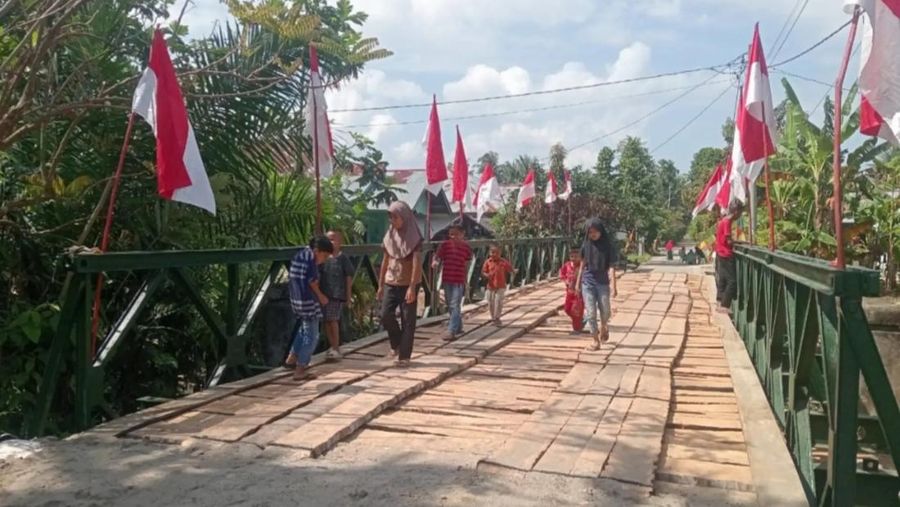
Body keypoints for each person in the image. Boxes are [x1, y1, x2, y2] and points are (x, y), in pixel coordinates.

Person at [378, 201, 423, 367]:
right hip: (391, 280)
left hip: (408, 282)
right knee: (385, 314)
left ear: (404, 217)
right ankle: (396, 344)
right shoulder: (390, 235)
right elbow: (385, 259)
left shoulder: (414, 237)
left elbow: (417, 263)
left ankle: (404, 356)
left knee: (408, 319)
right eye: (390, 217)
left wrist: (412, 287)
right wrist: (380, 285)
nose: (392, 221)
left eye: (395, 217)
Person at [285, 236, 333, 380]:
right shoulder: (310, 259)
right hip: (307, 300)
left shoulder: (301, 254)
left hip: (296, 299)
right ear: (317, 251)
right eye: (324, 256)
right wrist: (321, 296)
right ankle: (301, 369)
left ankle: (291, 359)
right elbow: (312, 281)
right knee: (312, 336)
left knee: (304, 329)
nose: (323, 260)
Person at [576, 219, 618, 351]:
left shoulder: (608, 247)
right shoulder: (586, 245)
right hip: (587, 282)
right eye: (590, 232)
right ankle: (595, 340)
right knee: (590, 312)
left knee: (605, 311)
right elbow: (582, 265)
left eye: (595, 231)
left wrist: (614, 286)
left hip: (603, 283)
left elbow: (611, 267)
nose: (592, 234)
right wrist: (578, 283)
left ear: (601, 231)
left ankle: (604, 326)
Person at [319, 230, 355, 361]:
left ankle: (336, 346)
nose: (331, 242)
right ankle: (332, 346)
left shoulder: (342, 258)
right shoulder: (323, 258)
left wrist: (348, 295)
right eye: (328, 240)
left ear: (340, 243)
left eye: (334, 239)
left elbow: (348, 277)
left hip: (337, 294)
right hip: (324, 294)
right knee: (326, 321)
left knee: (333, 319)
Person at [433, 221, 473, 340]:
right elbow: (438, 256)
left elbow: (467, 264)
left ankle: (451, 330)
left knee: (455, 304)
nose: (453, 237)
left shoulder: (466, 248)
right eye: (451, 234)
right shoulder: (445, 245)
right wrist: (435, 262)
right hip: (447, 278)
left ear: (462, 234)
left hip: (458, 279)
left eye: (456, 234)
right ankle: (458, 326)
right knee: (450, 305)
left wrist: (466, 280)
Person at [482, 243, 515, 325]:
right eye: (492, 252)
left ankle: (497, 318)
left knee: (498, 301)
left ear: (500, 253)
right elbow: (483, 272)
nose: (494, 254)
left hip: (501, 286)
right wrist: (486, 275)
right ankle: (493, 317)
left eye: (497, 252)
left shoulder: (503, 262)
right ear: (489, 253)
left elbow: (510, 269)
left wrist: (513, 271)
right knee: (491, 302)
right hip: (490, 286)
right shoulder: (488, 262)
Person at [716, 203, 741, 313]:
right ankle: (724, 305)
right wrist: (740, 242)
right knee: (732, 281)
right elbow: (729, 241)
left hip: (720, 252)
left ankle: (719, 300)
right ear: (736, 211)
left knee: (723, 278)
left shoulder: (724, 220)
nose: (740, 215)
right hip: (726, 253)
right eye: (740, 212)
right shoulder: (727, 222)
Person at [559, 247, 584, 332]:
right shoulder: (567, 265)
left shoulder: (582, 266)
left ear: (580, 257)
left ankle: (577, 329)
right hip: (569, 291)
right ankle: (580, 322)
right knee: (567, 309)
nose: (574, 259)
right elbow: (562, 274)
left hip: (580, 292)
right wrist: (565, 281)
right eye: (572, 257)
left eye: (576, 257)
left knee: (577, 310)